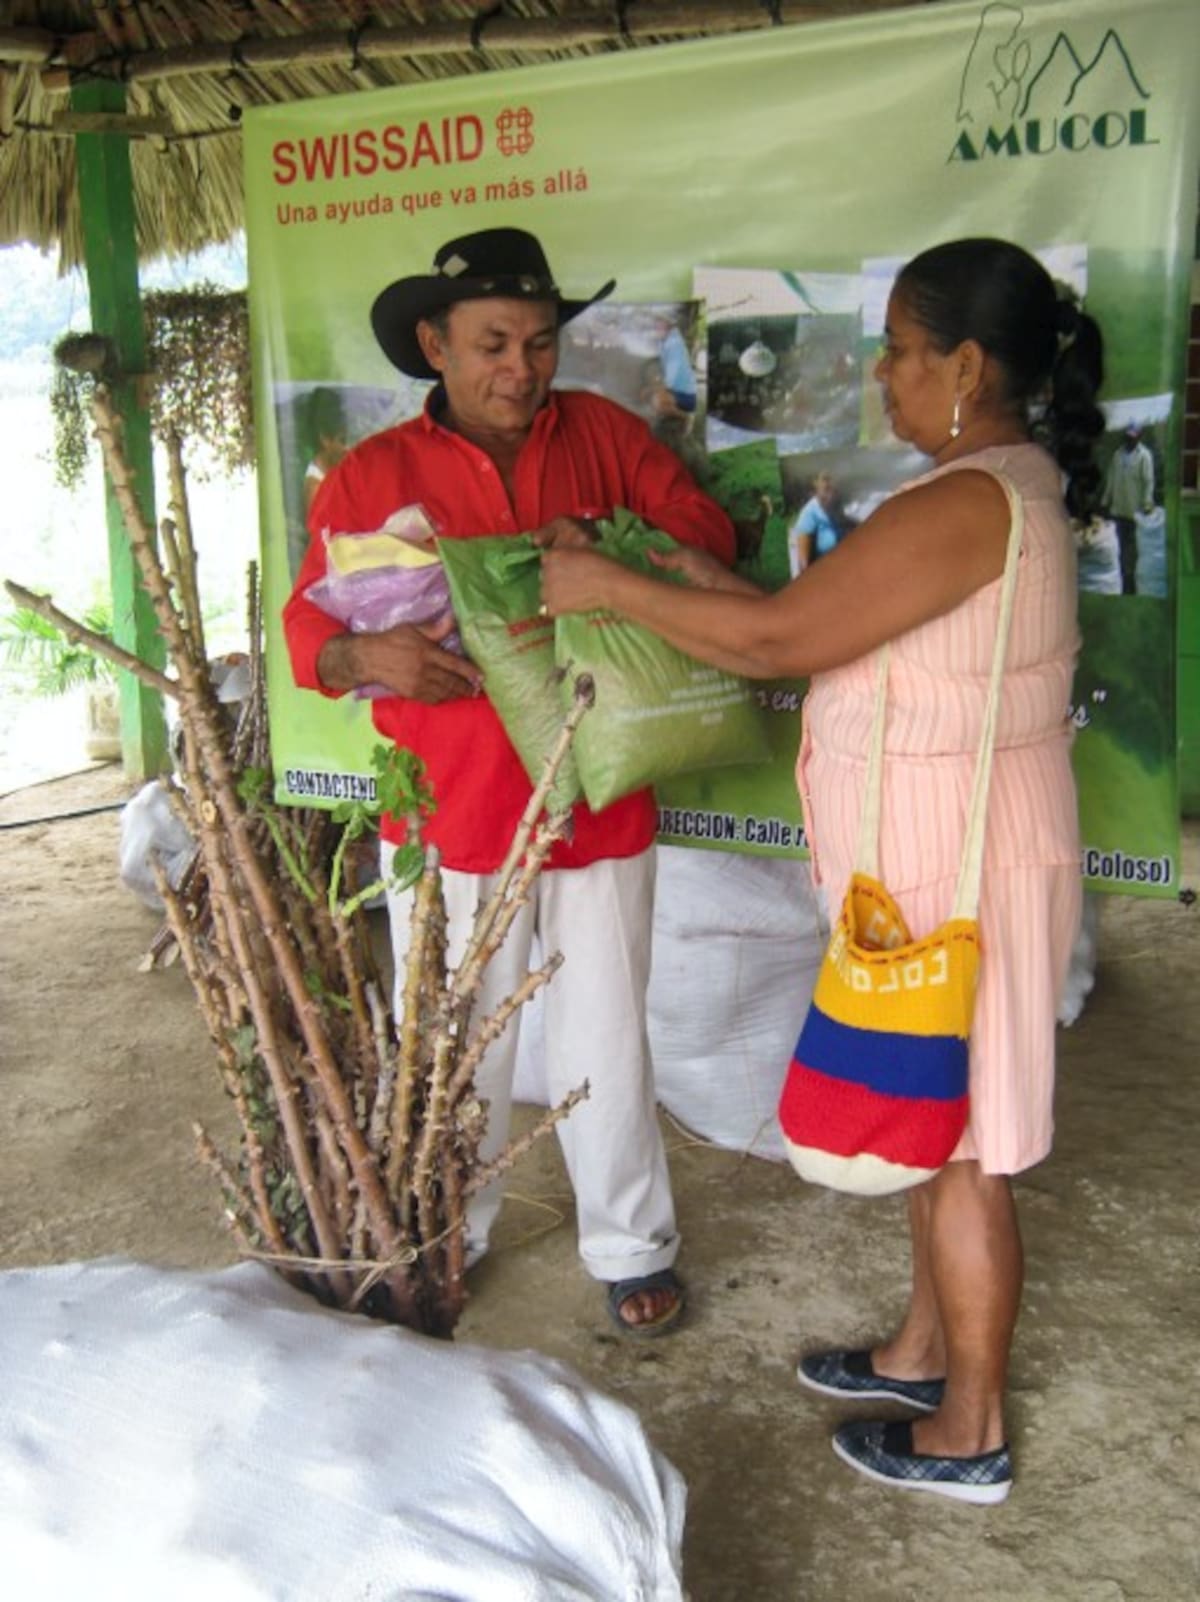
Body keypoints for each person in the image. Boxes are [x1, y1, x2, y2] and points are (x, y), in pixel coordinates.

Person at [542, 237, 1104, 1501]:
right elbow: (812, 626)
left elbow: (776, 640)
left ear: (967, 366)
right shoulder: (978, 492)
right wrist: (681, 574)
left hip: (964, 863)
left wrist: (611, 588)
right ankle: (922, 1353)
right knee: (926, 1109)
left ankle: (970, 1429)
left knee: (966, 1145)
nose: (885, 375)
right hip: (937, 852)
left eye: (900, 352)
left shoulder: (970, 503)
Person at [282, 227, 735, 1336]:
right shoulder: (372, 476)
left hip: (600, 791)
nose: (521, 369)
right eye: (493, 344)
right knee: (452, 1043)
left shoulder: (607, 438)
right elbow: (307, 629)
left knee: (606, 1034)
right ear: (435, 346)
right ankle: (446, 1233)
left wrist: (613, 546)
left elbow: (704, 531)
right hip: (450, 809)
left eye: (539, 343)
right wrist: (362, 656)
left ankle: (631, 1244)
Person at [1101, 424, 1154, 594]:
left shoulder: (1144, 456)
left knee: (1132, 549)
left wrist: (1147, 503)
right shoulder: (1118, 454)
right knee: (1118, 547)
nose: (1130, 439)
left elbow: (1148, 482)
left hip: (1134, 511)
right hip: (1118, 509)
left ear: (1139, 436)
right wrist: (1105, 500)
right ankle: (1120, 581)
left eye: (1133, 436)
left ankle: (1131, 583)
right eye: (1128, 436)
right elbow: (1111, 479)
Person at [787, 471, 844, 577]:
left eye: (832, 479)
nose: (830, 483)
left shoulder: (835, 507)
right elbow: (804, 564)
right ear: (814, 486)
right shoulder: (809, 513)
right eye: (825, 479)